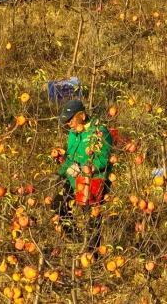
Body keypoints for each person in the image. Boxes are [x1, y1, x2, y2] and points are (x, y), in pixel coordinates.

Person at [55, 99, 113, 251]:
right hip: (74, 178)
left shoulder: (99, 131)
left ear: (81, 115)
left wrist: (90, 168)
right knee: (58, 206)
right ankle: (75, 239)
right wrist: (61, 166)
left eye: (70, 120)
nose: (68, 124)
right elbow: (70, 156)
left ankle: (92, 254)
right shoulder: (73, 133)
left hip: (94, 180)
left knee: (92, 219)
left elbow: (104, 158)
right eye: (66, 122)